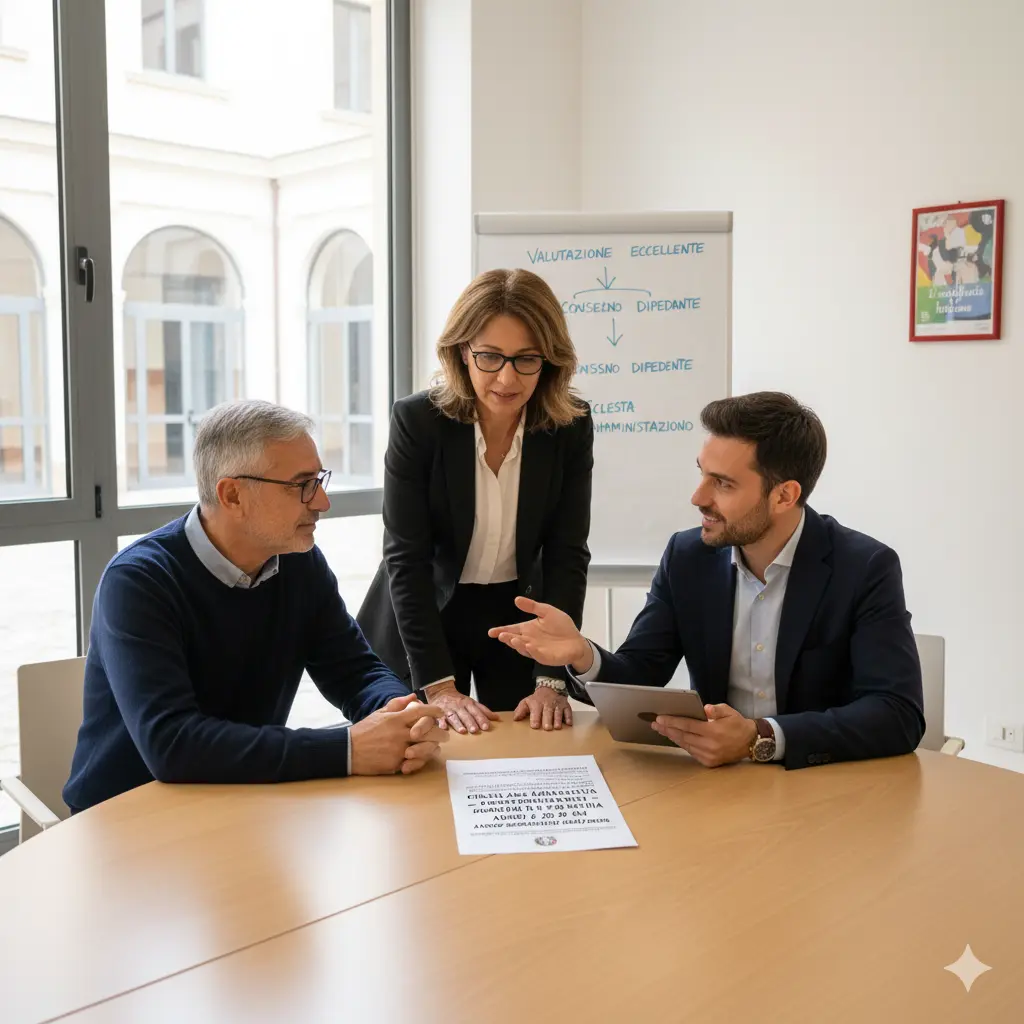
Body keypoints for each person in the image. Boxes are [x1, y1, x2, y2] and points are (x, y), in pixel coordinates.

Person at [488, 392, 926, 769]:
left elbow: (896, 714)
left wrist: (760, 737)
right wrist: (583, 655)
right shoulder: (688, 557)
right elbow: (642, 671)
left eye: (722, 484)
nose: (698, 497)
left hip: (823, 788)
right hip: (716, 788)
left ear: (784, 495)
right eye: (701, 473)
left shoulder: (864, 566)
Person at [64, 400, 446, 813]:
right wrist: (349, 749)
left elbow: (355, 670)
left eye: (319, 480)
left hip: (242, 796)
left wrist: (401, 714)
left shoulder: (299, 562)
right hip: (125, 820)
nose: (321, 502)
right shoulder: (138, 582)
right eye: (302, 485)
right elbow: (172, 744)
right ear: (232, 495)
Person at [357, 269, 594, 735]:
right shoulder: (418, 421)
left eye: (526, 359)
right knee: (424, 754)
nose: (507, 378)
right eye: (489, 356)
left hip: (516, 615)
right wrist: (439, 687)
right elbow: (406, 557)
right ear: (462, 352)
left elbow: (568, 551)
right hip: (425, 614)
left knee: (525, 746)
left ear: (549, 360)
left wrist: (551, 676)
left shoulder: (571, 426)